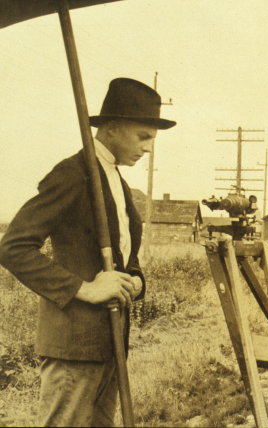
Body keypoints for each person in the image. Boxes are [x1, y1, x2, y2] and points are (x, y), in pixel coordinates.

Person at [0, 78, 176, 427]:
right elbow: (14, 247)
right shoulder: (74, 174)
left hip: (111, 342)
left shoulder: (118, 182)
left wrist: (135, 282)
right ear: (111, 128)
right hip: (74, 347)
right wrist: (85, 288)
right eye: (143, 137)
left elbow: (127, 257)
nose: (148, 149)